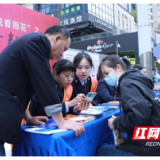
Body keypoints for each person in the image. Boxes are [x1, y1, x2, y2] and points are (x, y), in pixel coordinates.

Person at [0, 25, 85, 157]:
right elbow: (44, 84)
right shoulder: (38, 42)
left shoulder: (32, 43)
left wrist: (28, 117)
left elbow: (16, 89)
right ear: (57, 39)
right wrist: (61, 122)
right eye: (64, 48)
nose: (62, 54)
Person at [96, 55, 160, 157]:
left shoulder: (127, 83)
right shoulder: (135, 80)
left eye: (107, 73)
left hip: (149, 144)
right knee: (118, 142)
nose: (106, 78)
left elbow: (140, 115)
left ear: (118, 67)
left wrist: (116, 123)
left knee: (102, 151)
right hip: (153, 137)